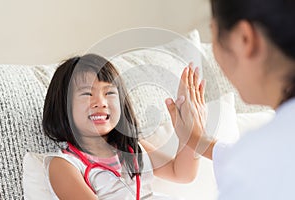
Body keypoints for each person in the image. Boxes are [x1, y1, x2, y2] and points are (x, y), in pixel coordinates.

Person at [165, 0, 295, 199]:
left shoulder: (253, 168)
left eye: (213, 33)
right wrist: (195, 139)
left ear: (244, 39)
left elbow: (257, 167)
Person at [41, 54, 200, 199]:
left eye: (109, 93)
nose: (101, 103)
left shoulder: (133, 147)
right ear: (63, 107)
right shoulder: (64, 165)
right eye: (87, 94)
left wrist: (190, 132)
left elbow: (181, 173)